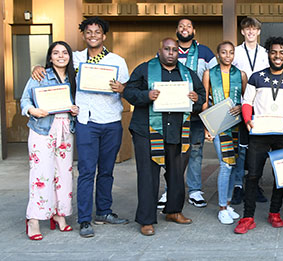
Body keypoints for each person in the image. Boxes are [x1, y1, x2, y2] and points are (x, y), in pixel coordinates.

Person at [31, 17, 130, 238]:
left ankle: (103, 211)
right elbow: (53, 66)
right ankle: (84, 219)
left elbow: (127, 89)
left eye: (97, 32)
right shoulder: (75, 58)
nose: (93, 35)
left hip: (112, 121)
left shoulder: (117, 60)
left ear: (104, 36)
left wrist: (122, 88)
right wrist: (37, 66)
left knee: (106, 171)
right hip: (86, 122)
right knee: (86, 171)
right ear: (84, 35)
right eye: (89, 32)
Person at [123, 37, 206, 236]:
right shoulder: (144, 69)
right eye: (167, 49)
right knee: (148, 175)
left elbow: (201, 95)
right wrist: (146, 96)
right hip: (147, 130)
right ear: (160, 50)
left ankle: (173, 211)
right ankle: (146, 219)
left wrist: (196, 99)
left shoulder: (187, 73)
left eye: (174, 50)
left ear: (178, 52)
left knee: (176, 173)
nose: (171, 53)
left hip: (177, 130)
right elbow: (128, 91)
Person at [235, 36, 283, 234]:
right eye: (274, 52)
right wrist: (248, 119)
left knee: (280, 175)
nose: (277, 56)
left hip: (282, 133)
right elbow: (247, 102)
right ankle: (248, 217)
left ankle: (275, 212)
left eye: (281, 53)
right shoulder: (256, 77)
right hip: (258, 133)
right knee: (253, 176)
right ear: (268, 53)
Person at [21, 41, 80, 240]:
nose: (61, 56)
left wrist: (75, 109)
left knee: (64, 174)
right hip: (42, 129)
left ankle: (60, 214)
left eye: (65, 52)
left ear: (70, 56)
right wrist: (32, 110)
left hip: (65, 130)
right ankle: (34, 219)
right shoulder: (41, 75)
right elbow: (25, 100)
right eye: (56, 53)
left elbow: (78, 102)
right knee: (41, 174)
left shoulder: (74, 77)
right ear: (50, 56)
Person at [158, 18, 218, 210]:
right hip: (172, 111)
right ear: (176, 30)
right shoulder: (168, 50)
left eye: (188, 26)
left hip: (196, 111)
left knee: (195, 150)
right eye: (181, 26)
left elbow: (215, 77)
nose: (185, 29)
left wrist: (207, 102)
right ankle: (170, 189)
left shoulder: (205, 52)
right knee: (172, 152)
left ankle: (194, 190)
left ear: (194, 30)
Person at [202, 41, 248, 224]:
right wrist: (207, 127)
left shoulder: (241, 75)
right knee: (225, 165)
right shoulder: (209, 73)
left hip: (236, 124)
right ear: (218, 54)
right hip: (219, 125)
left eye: (231, 52)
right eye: (224, 52)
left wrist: (240, 106)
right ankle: (222, 207)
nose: (227, 56)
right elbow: (205, 100)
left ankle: (228, 204)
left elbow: (247, 100)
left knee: (234, 164)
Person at [231, 17, 270, 205]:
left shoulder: (265, 53)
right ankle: (238, 185)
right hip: (239, 106)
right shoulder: (235, 52)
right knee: (241, 149)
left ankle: (256, 185)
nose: (251, 32)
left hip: (261, 108)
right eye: (247, 29)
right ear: (242, 32)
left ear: (259, 32)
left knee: (258, 148)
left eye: (254, 29)